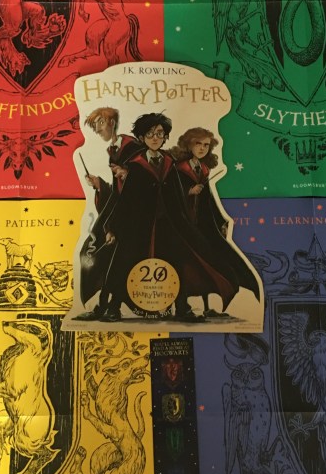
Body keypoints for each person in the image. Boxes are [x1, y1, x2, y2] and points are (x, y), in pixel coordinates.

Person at [99, 113, 238, 323]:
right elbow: (125, 199)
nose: (155, 138)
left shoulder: (170, 163)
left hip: (168, 225)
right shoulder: (135, 165)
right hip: (139, 226)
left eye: (159, 134)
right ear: (142, 137)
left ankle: (182, 307)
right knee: (126, 261)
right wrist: (111, 227)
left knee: (176, 262)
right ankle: (113, 307)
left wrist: (186, 218)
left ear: (165, 137)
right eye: (150, 134)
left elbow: (177, 195)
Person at [171, 127, 260, 316]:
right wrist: (188, 192)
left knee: (216, 259)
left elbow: (209, 200)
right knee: (187, 265)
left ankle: (209, 305)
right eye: (198, 144)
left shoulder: (203, 170)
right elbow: (168, 196)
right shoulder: (177, 169)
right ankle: (181, 306)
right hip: (180, 226)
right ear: (188, 145)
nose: (202, 148)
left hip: (201, 225)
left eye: (206, 145)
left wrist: (220, 221)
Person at [76, 107, 144, 320]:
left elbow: (143, 182)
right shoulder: (114, 150)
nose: (97, 129)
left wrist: (128, 175)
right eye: (95, 125)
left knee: (119, 260)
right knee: (94, 252)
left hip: (135, 217)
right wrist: (101, 185)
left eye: (100, 123)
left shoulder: (132, 147)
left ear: (112, 123)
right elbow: (117, 191)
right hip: (119, 212)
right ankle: (104, 305)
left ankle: (112, 306)